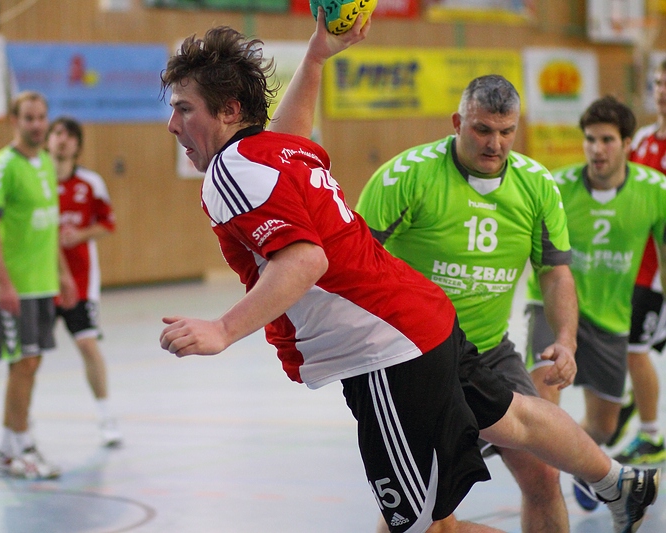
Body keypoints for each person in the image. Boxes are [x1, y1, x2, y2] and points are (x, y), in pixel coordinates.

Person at [158, 20, 658, 533]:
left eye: (184, 108)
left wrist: (223, 329)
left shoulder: (230, 170)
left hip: (386, 350)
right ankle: (619, 482)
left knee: (421, 527)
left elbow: (304, 261)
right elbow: (292, 135)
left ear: (229, 111)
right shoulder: (274, 152)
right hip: (423, 317)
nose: (173, 124)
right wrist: (315, 58)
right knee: (515, 419)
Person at [277, 9, 577, 533]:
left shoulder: (536, 185)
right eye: (482, 130)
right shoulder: (405, 178)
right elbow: (350, 263)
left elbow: (555, 272)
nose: (495, 143)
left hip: (490, 351)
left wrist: (567, 339)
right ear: (458, 123)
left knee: (544, 476)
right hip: (417, 357)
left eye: (506, 132)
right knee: (424, 516)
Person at [525, 96, 666, 510]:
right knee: (544, 409)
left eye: (607, 140)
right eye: (590, 139)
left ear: (627, 144)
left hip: (611, 314)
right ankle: (546, 493)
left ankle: (584, 466)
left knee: (603, 426)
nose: (596, 149)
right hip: (552, 306)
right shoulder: (556, 186)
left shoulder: (655, 190)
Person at [0, 91, 77, 479]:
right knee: (22, 365)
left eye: (41, 118)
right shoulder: (2, 166)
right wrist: (3, 283)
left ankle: (7, 449)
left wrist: (63, 274)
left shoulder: (46, 163)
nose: (36, 125)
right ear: (14, 121)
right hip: (14, 287)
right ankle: (22, 447)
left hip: (41, 284)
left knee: (30, 365)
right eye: (29, 118)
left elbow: (50, 225)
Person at [46, 116, 122, 448]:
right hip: (41, 280)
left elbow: (107, 224)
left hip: (80, 280)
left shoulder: (90, 183)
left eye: (69, 136)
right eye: (57, 134)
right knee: (29, 357)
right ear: (48, 140)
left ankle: (106, 417)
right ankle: (22, 428)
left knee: (87, 345)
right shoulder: (37, 180)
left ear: (77, 145)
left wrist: (80, 234)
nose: (62, 140)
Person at [608, 60, 666, 465]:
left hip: (658, 273)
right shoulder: (644, 139)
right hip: (633, 265)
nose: (662, 90)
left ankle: (651, 436)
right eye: (659, 83)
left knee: (635, 348)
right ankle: (637, 397)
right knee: (632, 347)